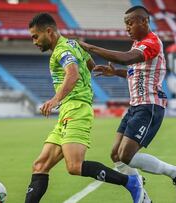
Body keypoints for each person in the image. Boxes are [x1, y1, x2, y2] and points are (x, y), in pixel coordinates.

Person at [25, 13, 148, 203]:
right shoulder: (74, 44)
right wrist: (92, 72)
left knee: (74, 166)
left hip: (76, 110)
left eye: (35, 36)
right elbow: (90, 64)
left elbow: (72, 74)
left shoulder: (62, 50)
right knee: (40, 165)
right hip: (68, 111)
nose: (34, 42)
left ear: (49, 32)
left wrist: (55, 99)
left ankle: (131, 182)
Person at [78, 6, 176, 202]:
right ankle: (143, 197)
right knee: (115, 155)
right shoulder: (137, 44)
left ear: (144, 21)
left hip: (149, 106)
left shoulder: (151, 42)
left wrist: (90, 47)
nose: (127, 28)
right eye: (125, 24)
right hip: (135, 107)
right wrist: (115, 73)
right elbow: (134, 71)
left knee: (126, 155)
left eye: (130, 23)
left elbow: (125, 59)